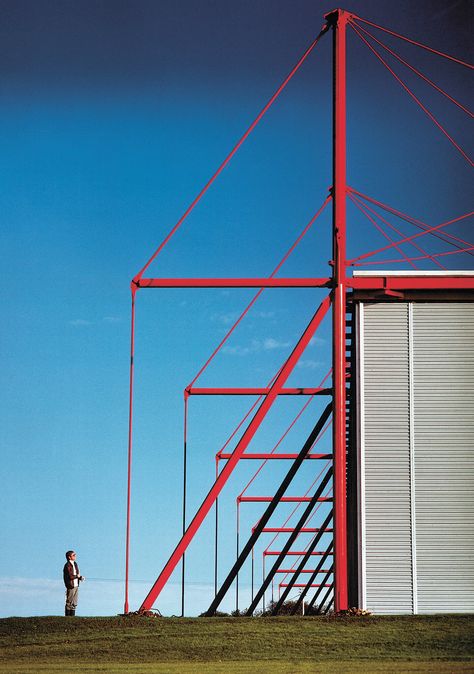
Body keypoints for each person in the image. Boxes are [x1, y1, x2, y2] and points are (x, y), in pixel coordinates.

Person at [63, 550, 85, 616]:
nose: (75, 556)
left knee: (74, 602)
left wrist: (80, 577)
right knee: (69, 602)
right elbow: (70, 576)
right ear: (69, 557)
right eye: (73, 555)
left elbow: (76, 574)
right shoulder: (67, 565)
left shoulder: (75, 564)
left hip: (76, 585)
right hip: (70, 585)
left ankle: (72, 617)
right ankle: (67, 617)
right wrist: (77, 576)